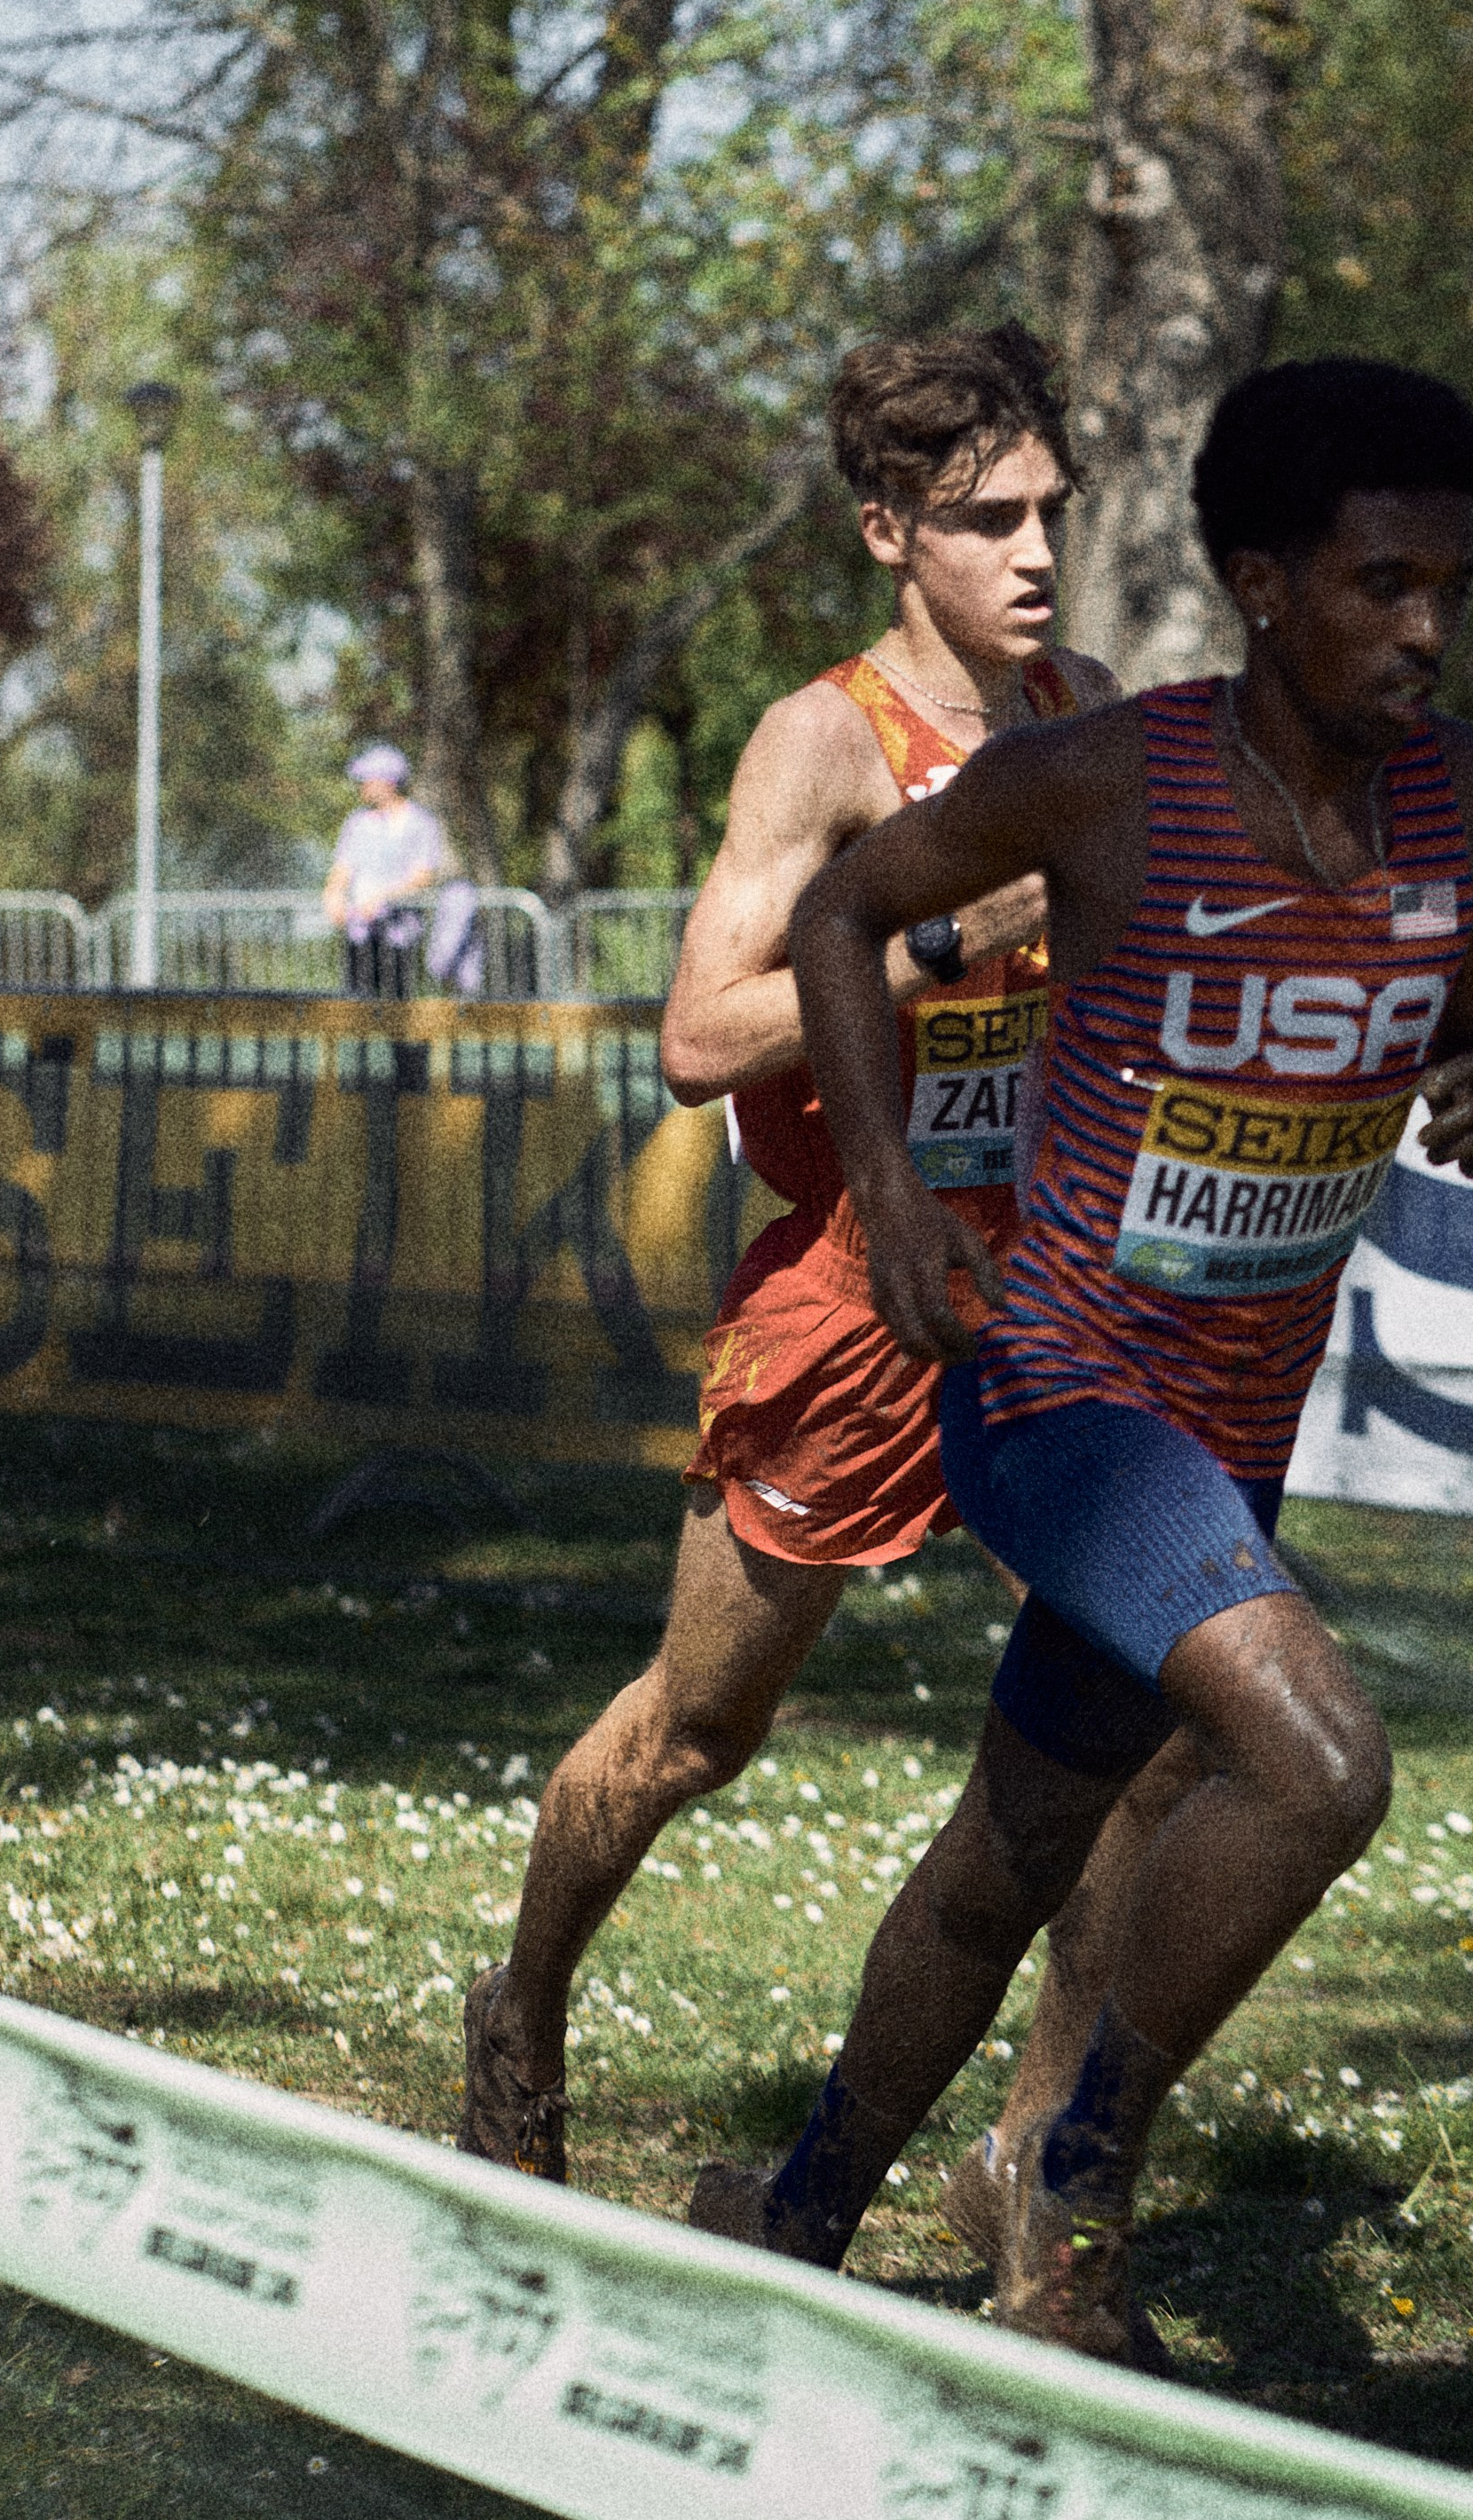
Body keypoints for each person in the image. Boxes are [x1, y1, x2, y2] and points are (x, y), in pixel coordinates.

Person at [688, 354, 1473, 2364]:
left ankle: (799, 2203)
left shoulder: (1469, 801)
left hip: (1234, 1434)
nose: (1424, 628)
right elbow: (832, 921)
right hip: (1055, 1394)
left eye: (1452, 588)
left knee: (1009, 1857)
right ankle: (1072, 2185)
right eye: (1379, 584)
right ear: (1259, 579)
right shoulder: (1108, 780)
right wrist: (895, 1204)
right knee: (1319, 1761)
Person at [458, 322, 1193, 2202]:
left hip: (1054, 1285)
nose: (1032, 554)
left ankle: (1035, 2158)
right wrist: (942, 945)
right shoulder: (821, 737)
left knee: (1152, 1710)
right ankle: (522, 2010)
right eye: (981, 521)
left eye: (1050, 511)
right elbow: (700, 1034)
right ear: (887, 530)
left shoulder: (1084, 703)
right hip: (859, 1285)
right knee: (698, 1729)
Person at [322, 744, 448, 997]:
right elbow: (342, 868)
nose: (362, 786)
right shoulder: (356, 823)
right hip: (359, 931)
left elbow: (423, 876)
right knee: (358, 1008)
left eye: (367, 780)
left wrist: (381, 898)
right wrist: (332, 895)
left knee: (399, 1010)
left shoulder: (421, 823)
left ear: (389, 782)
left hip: (400, 934)